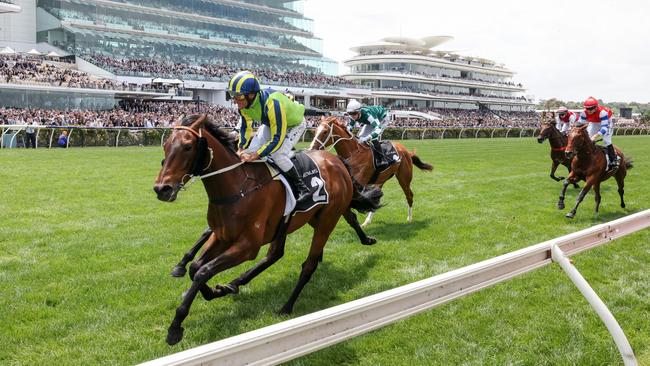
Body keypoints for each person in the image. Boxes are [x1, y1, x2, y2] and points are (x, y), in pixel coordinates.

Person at [228, 70, 310, 203]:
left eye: (239, 96)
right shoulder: (244, 106)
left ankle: (303, 188)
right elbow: (245, 127)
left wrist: (256, 155)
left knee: (278, 155)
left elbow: (276, 139)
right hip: (271, 123)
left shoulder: (273, 103)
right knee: (249, 151)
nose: (236, 100)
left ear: (251, 95)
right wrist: (241, 148)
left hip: (295, 124)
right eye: (233, 95)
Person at [577, 96, 618, 172]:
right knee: (588, 138)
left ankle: (614, 160)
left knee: (606, 141)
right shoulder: (583, 113)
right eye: (587, 108)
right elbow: (580, 125)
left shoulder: (603, 112)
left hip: (607, 123)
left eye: (591, 109)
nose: (588, 110)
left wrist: (595, 136)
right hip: (594, 122)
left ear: (596, 107)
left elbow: (604, 128)